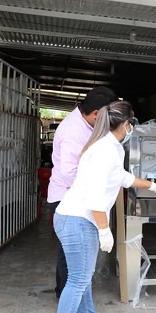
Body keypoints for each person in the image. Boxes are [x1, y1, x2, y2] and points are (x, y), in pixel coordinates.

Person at [53, 100, 156, 313]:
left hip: (75, 218)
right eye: (131, 125)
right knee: (77, 281)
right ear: (126, 124)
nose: (131, 129)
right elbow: (94, 193)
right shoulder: (104, 150)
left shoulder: (110, 146)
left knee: (82, 277)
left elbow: (123, 177)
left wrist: (151, 185)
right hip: (79, 220)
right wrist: (105, 229)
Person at [47, 86, 117, 300]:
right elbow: (69, 173)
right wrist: (98, 188)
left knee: (74, 254)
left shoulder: (87, 124)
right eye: (107, 117)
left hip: (78, 198)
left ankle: (70, 295)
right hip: (66, 198)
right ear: (96, 113)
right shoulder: (72, 131)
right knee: (71, 255)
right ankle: (68, 297)